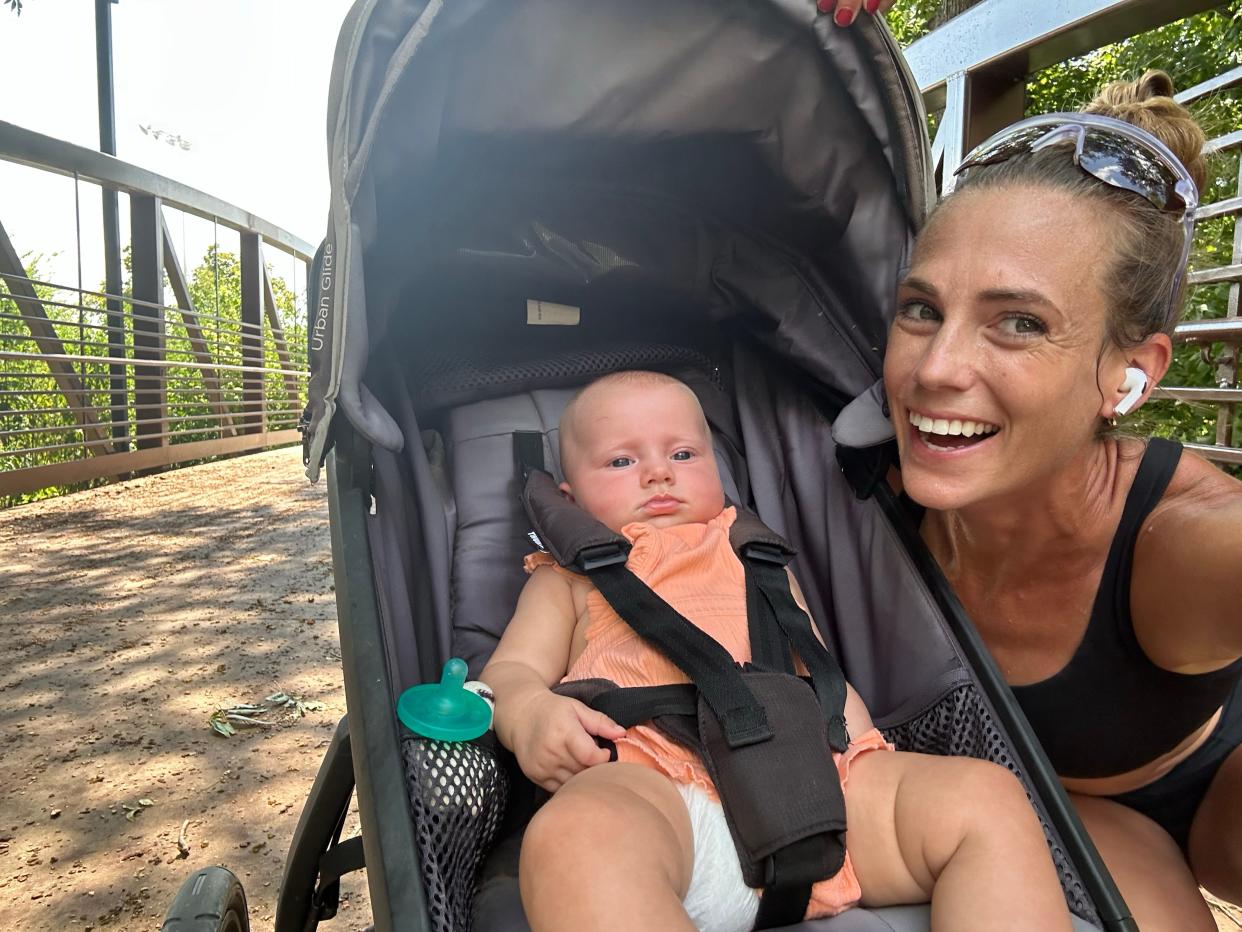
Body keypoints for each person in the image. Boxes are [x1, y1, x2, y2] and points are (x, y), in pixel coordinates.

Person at [481, 371, 1071, 932]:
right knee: (576, 837)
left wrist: (863, 752)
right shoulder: (566, 581)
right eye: (621, 461)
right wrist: (531, 711)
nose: (658, 474)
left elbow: (816, 663)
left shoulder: (756, 557)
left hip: (817, 780)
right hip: (656, 788)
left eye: (683, 455)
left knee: (985, 796)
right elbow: (509, 672)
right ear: (569, 497)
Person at [881, 71, 1242, 931]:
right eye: (922, 309)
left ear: (1131, 374)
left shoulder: (1183, 536)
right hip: (1079, 806)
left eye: (1020, 323)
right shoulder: (862, 489)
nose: (936, 369)